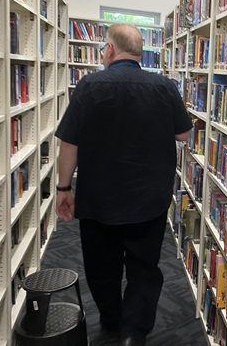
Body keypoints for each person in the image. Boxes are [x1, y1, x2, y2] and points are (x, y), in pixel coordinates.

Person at [54, 23, 193, 346]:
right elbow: (183, 135)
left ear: (110, 50)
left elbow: (69, 145)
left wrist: (63, 189)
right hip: (149, 199)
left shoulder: (89, 86)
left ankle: (111, 319)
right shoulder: (164, 87)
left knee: (102, 268)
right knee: (145, 267)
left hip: (98, 199)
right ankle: (134, 332)